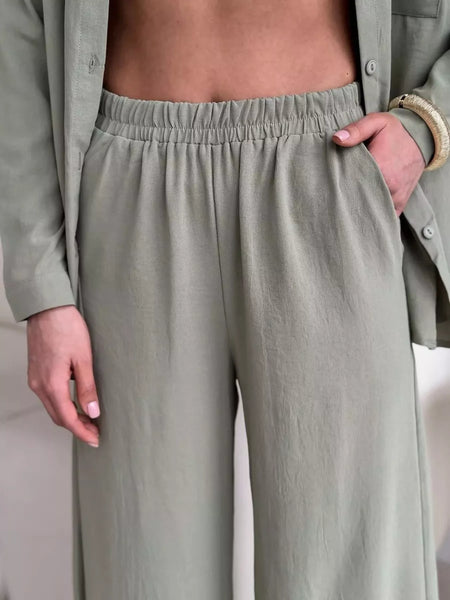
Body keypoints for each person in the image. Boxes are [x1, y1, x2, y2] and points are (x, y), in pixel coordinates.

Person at [1, 0, 450, 598]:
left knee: (353, 568)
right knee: (140, 565)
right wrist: (42, 289)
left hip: (328, 170)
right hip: (129, 189)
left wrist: (427, 123)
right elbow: (19, 24)